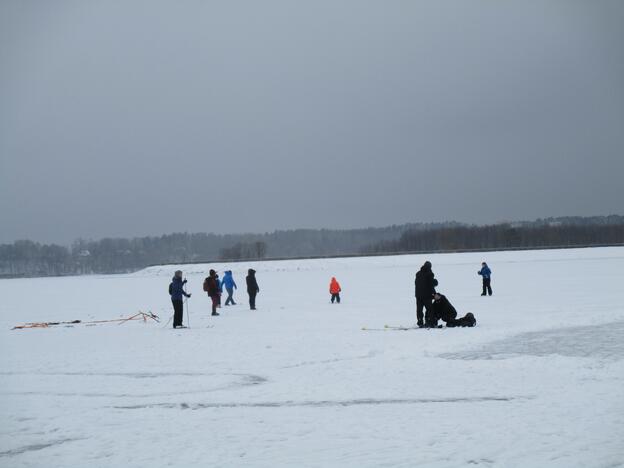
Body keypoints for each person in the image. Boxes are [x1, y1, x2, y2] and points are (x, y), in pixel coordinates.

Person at [415, 261, 438, 328]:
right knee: (430, 309)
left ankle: (420, 322)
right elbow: (430, 285)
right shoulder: (429, 274)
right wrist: (434, 294)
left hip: (418, 295)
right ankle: (430, 322)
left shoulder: (418, 274)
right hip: (426, 296)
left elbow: (418, 284)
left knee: (419, 310)